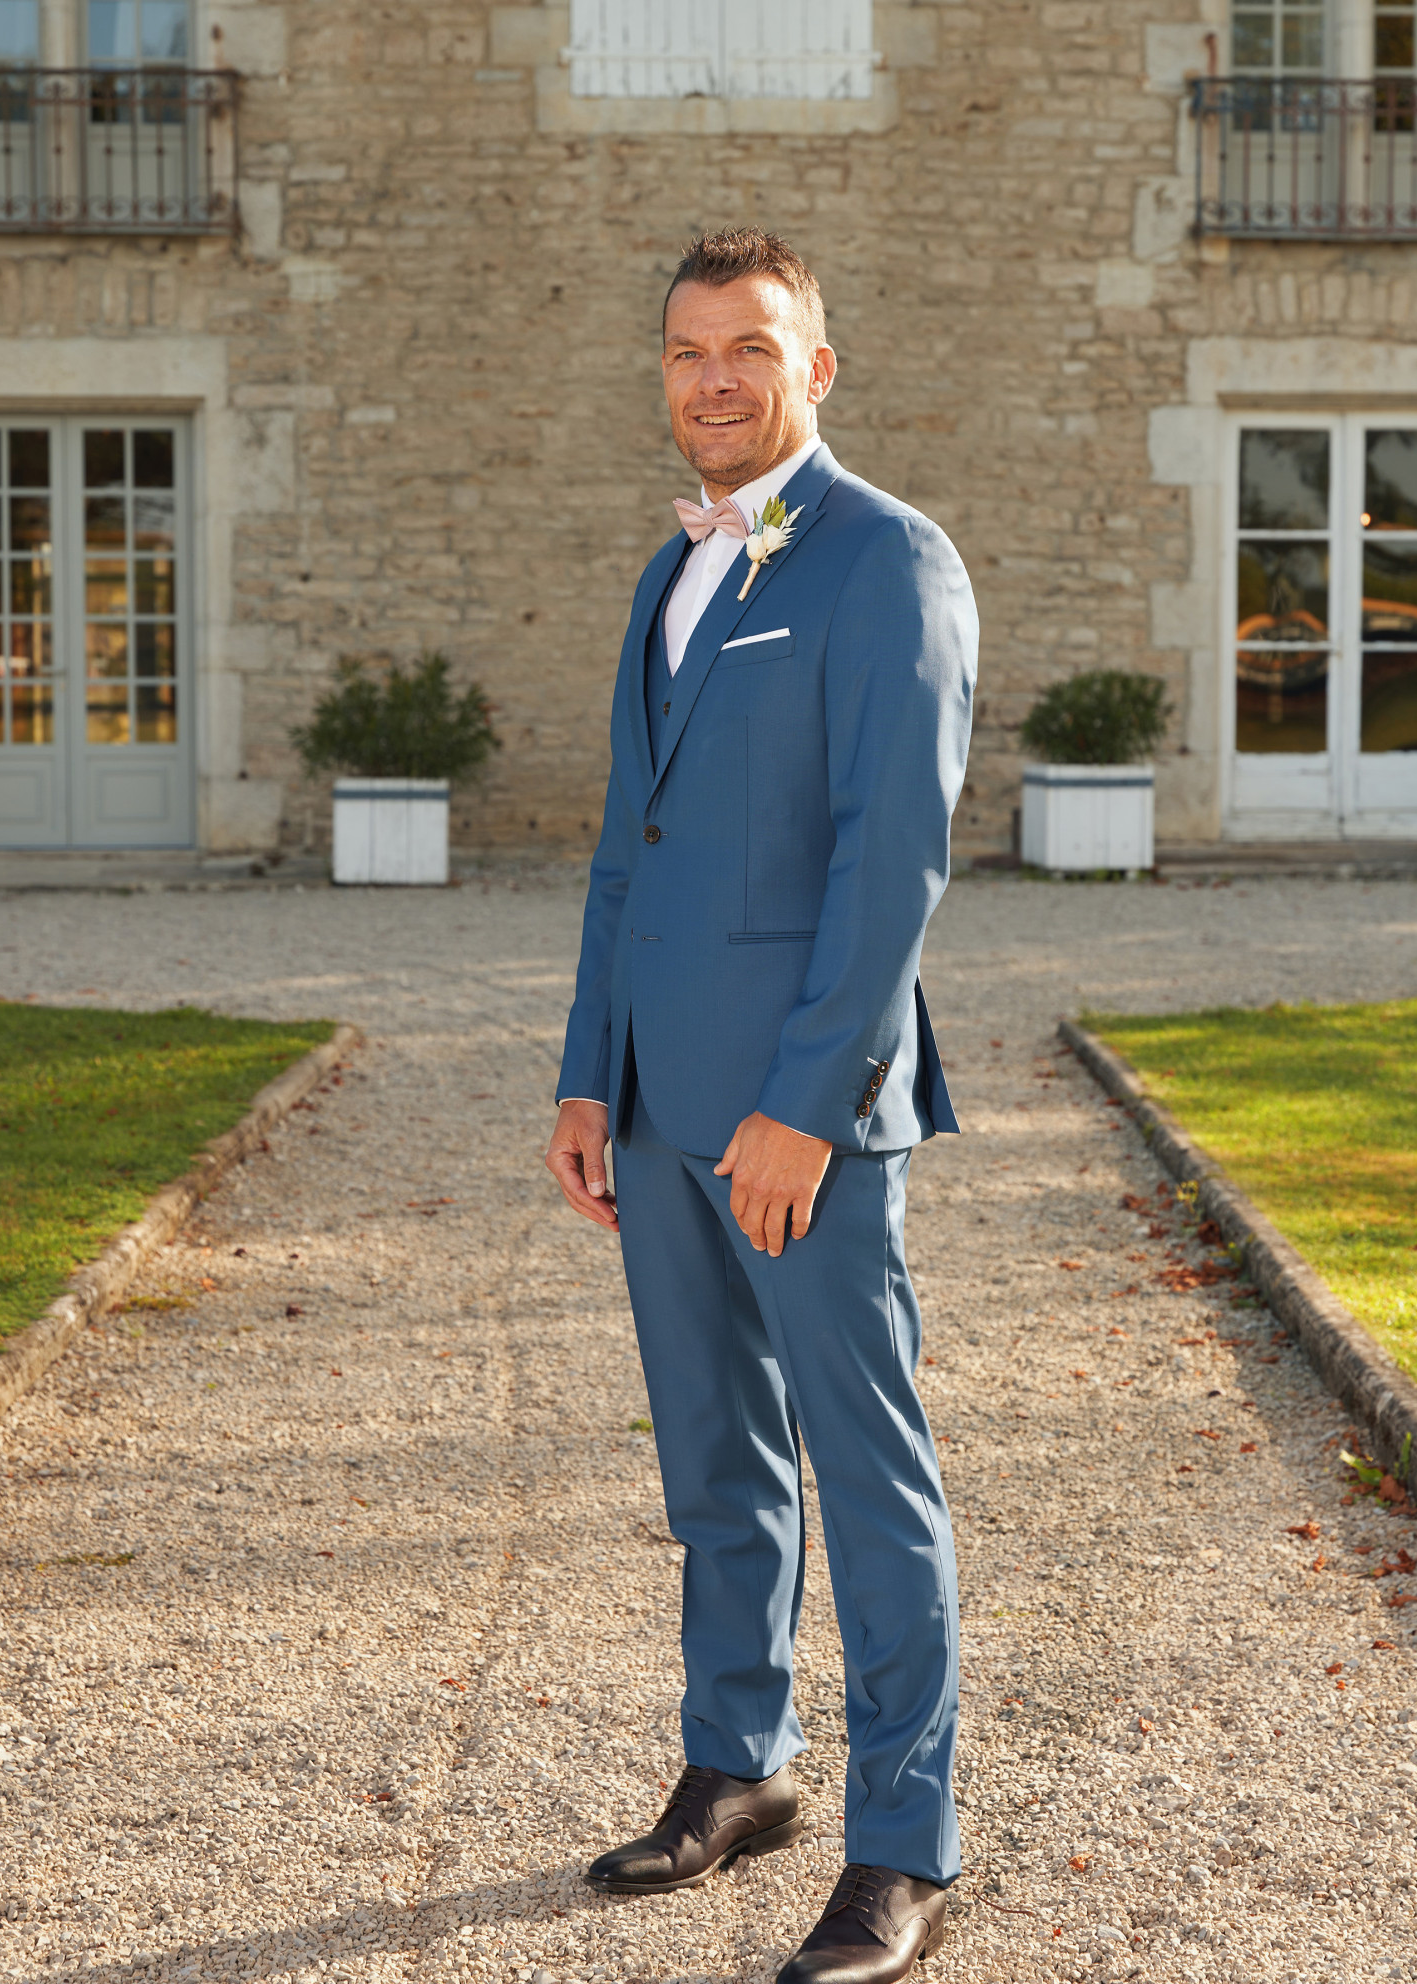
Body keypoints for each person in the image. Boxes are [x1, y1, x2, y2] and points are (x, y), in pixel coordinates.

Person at [545, 227, 978, 1984]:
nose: (714, 379)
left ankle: (903, 1848)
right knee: (715, 1464)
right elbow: (621, 853)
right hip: (653, 1115)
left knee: (869, 1478)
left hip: (802, 1121)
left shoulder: (888, 562)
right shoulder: (672, 569)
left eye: (751, 348)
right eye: (686, 352)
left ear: (818, 368)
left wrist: (811, 1100)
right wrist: (588, 1070)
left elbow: (897, 865)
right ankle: (741, 1767)